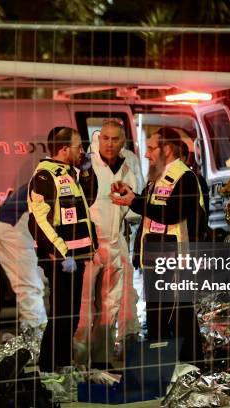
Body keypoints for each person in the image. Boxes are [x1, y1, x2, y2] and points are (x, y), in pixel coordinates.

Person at [110, 126, 207, 364]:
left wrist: (135, 202)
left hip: (176, 259)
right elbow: (148, 213)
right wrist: (130, 195)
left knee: (180, 317)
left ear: (167, 149)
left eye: (151, 148)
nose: (146, 154)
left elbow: (171, 214)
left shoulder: (186, 177)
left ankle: (191, 367)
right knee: (156, 318)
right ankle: (160, 370)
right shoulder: (158, 177)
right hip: (154, 258)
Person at [28, 126, 98, 372]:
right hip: (60, 258)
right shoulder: (45, 175)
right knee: (61, 316)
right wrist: (62, 253)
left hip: (77, 256)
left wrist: (87, 170)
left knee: (71, 317)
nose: (82, 151)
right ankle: (48, 369)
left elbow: (89, 200)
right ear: (65, 149)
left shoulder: (69, 172)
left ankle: (63, 364)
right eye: (79, 146)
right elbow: (38, 220)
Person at [74, 119, 142, 365]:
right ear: (98, 138)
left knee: (110, 305)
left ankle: (101, 359)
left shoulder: (127, 168)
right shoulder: (86, 165)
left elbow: (134, 208)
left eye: (115, 139)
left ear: (122, 142)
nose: (109, 144)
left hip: (116, 242)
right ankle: (78, 360)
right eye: (105, 138)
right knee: (83, 307)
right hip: (89, 245)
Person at [0, 183, 48, 340]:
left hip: (12, 227)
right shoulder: (58, 177)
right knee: (30, 286)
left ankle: (33, 335)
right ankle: (35, 340)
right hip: (14, 229)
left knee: (30, 286)